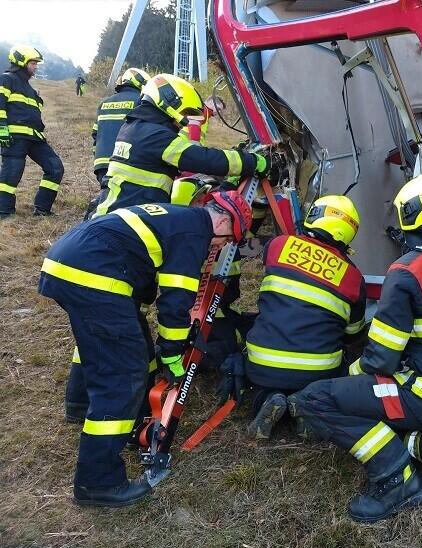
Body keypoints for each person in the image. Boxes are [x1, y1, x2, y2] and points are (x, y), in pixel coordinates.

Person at [39, 190, 253, 507]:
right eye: (226, 239)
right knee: (123, 376)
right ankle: (98, 484)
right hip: (95, 277)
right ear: (222, 219)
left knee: (116, 344)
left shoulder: (179, 218)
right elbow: (176, 303)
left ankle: (82, 405)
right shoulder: (195, 234)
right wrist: (172, 353)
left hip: (70, 265)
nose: (220, 247)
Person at [288, 174, 422, 522]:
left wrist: (345, 378)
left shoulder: (407, 271)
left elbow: (381, 357)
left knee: (316, 399)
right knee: (369, 402)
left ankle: (397, 480)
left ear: (411, 213)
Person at [243, 195, 366, 439]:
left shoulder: (277, 246)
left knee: (260, 382)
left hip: (262, 360)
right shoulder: (353, 278)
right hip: (318, 369)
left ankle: (266, 398)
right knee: (342, 363)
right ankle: (308, 405)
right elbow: (353, 333)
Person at [92, 72, 267, 217]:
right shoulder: (154, 135)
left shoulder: (135, 127)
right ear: (169, 102)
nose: (183, 121)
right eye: (185, 111)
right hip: (125, 218)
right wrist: (252, 162)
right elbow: (202, 158)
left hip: (117, 212)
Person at [0, 45, 64, 217]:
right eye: (33, 63)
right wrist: (2, 128)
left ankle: (42, 209)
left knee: (55, 168)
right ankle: (4, 211)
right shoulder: (6, 79)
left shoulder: (30, 88)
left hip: (35, 138)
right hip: (14, 137)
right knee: (11, 175)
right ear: (21, 62)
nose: (36, 67)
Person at [91, 68, 150, 186]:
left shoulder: (104, 103)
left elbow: (95, 134)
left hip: (102, 164)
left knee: (107, 197)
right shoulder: (140, 102)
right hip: (125, 163)